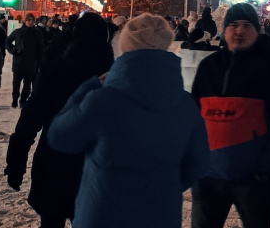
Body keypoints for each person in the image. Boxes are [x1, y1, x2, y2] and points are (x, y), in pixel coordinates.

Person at [46, 14, 210, 228]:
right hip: (160, 215)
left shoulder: (103, 100)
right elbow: (198, 163)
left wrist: (87, 88)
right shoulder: (186, 105)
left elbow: (60, 137)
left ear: (124, 46)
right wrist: (163, 185)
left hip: (103, 214)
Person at [190, 2, 270, 228]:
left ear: (257, 31)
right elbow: (194, 117)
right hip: (208, 176)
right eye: (234, 25)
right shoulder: (209, 66)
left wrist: (266, 168)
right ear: (225, 29)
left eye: (247, 25)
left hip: (252, 179)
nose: (239, 31)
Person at [6, 13, 115, 228]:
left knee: (51, 219)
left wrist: (16, 162)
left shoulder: (54, 72)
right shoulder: (114, 77)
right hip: (97, 166)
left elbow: (30, 120)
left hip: (54, 161)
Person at [6, 14, 45, 108]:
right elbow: (8, 41)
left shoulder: (37, 33)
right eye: (29, 20)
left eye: (33, 21)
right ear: (25, 21)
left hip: (31, 63)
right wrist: (13, 50)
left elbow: (40, 48)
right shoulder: (18, 32)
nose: (31, 22)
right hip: (19, 62)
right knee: (16, 84)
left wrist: (40, 62)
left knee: (27, 86)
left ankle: (23, 100)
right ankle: (15, 99)